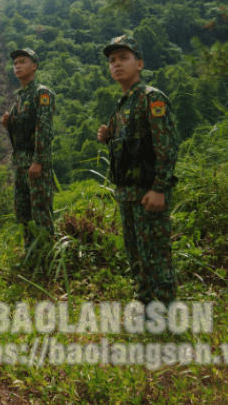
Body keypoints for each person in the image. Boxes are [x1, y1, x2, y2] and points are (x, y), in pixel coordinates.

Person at [96, 35, 179, 306]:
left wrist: (159, 189)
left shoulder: (150, 98)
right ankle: (145, 304)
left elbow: (166, 146)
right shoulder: (122, 105)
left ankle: (164, 310)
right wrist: (109, 137)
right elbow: (132, 147)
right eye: (112, 60)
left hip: (147, 193)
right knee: (135, 255)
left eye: (123, 58)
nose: (116, 64)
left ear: (139, 63)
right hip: (127, 195)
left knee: (155, 255)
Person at [0, 48, 56, 253]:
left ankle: (47, 256)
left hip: (35, 162)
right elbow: (21, 131)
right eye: (15, 63)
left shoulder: (41, 94)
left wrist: (39, 161)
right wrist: (9, 124)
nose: (17, 66)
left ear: (34, 66)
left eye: (22, 62)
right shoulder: (20, 97)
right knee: (22, 211)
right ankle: (30, 253)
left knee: (40, 211)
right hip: (20, 161)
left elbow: (44, 129)